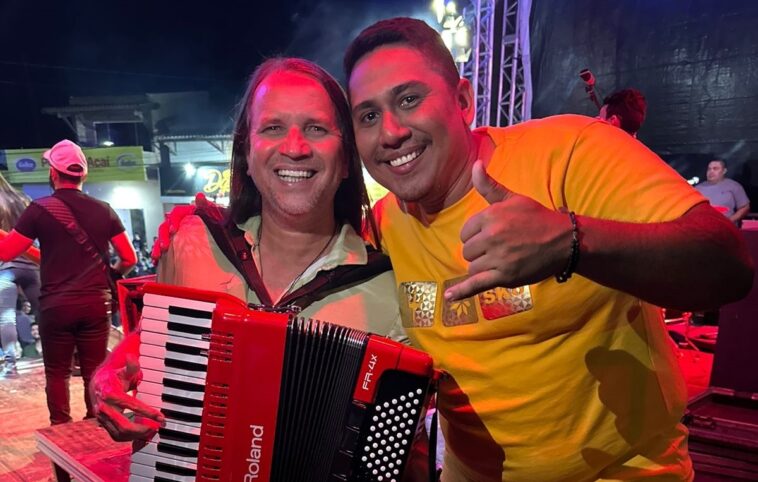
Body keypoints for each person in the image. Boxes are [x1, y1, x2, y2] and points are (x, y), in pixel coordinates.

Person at [342, 17, 753, 481]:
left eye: (409, 99)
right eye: (368, 116)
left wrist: (572, 242)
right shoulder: (382, 229)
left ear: (463, 101)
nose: (390, 132)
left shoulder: (567, 152)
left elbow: (728, 264)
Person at [90, 59, 408, 450]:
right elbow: (150, 340)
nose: (295, 148)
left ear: (345, 159)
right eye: (273, 128)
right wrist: (109, 372)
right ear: (247, 152)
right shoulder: (191, 244)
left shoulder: (387, 290)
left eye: (316, 128)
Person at [0, 139, 137, 430]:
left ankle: (61, 427)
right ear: (83, 174)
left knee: (57, 373)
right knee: (94, 371)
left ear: (53, 173)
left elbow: (7, 252)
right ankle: (96, 422)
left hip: (56, 306)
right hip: (95, 304)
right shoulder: (104, 210)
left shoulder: (39, 209)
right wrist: (110, 273)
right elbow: (129, 258)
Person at [0, 171, 41, 377]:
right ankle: (61, 357)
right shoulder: (22, 198)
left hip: (5, 266)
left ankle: (10, 366)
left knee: (6, 317)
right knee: (45, 312)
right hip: (31, 264)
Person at [696, 159, 751, 226]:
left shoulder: (734, 186)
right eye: (709, 169)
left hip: (726, 228)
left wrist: (729, 221)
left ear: (724, 171)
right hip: (703, 228)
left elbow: (745, 207)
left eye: (715, 169)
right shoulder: (698, 189)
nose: (711, 171)